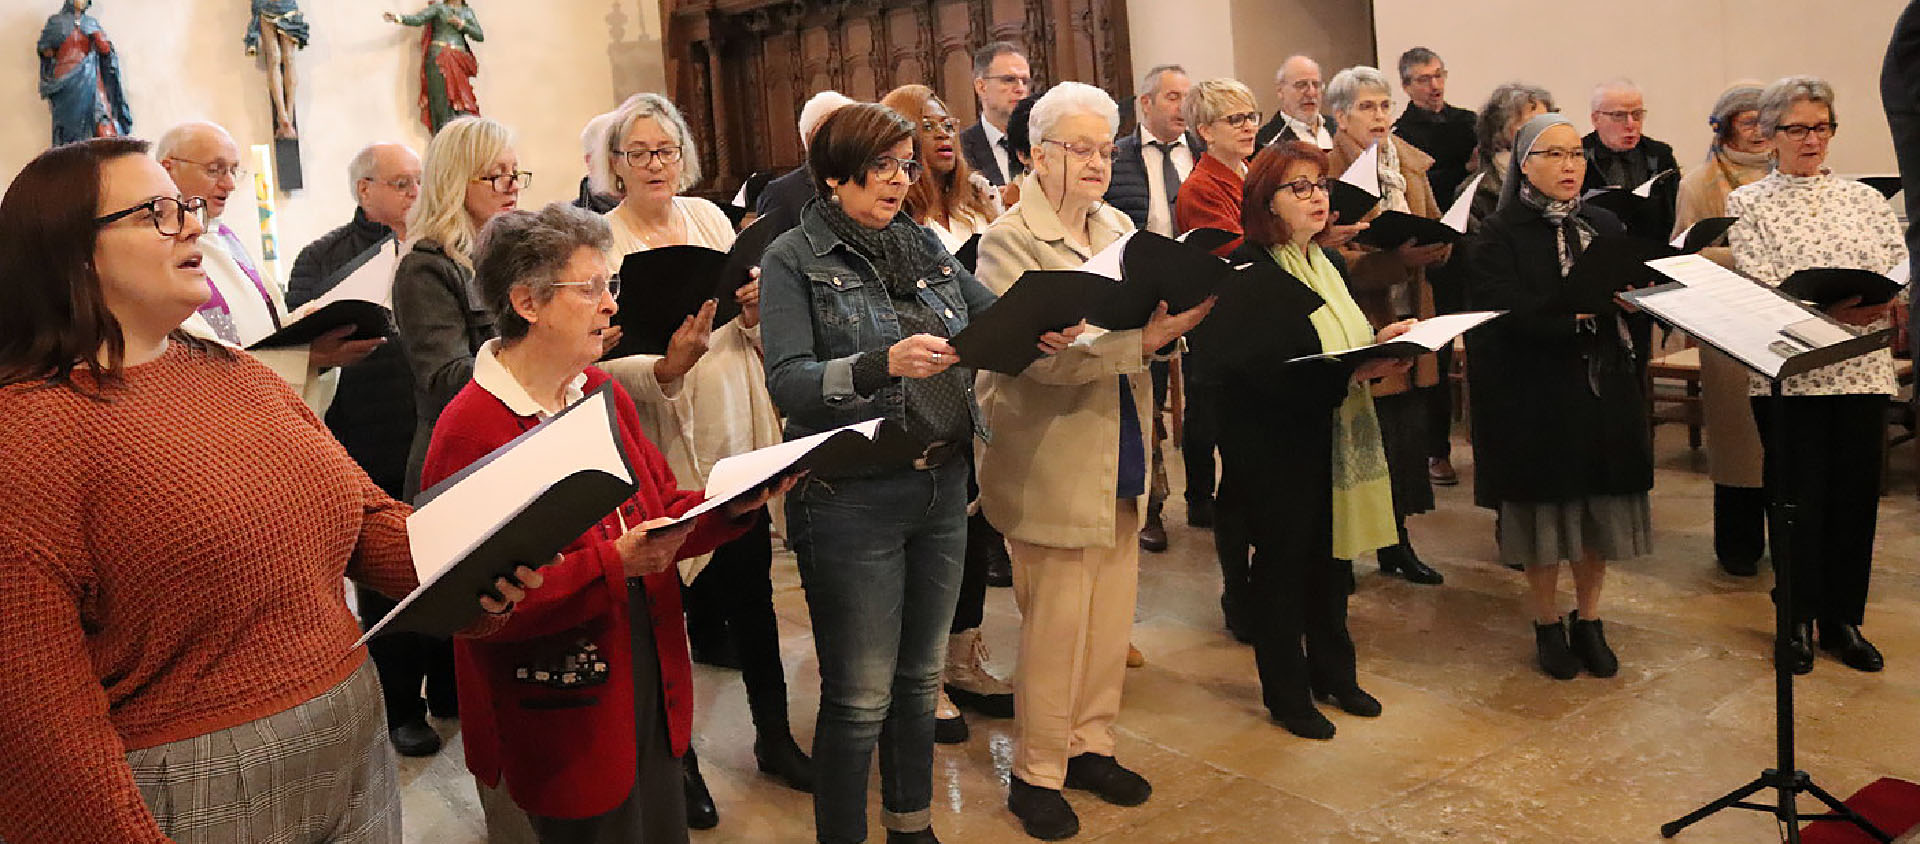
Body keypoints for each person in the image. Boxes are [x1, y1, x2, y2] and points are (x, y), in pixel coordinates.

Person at [0, 136, 533, 844]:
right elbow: (38, 717)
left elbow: (363, 520)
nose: (193, 224)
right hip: (199, 784)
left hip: (350, 738)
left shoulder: (236, 373)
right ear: (68, 251)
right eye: (158, 212)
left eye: (186, 206)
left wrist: (476, 564)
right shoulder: (28, 434)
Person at [759, 102, 1072, 844]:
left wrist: (1043, 327)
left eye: (905, 166)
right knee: (861, 695)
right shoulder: (793, 258)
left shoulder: (923, 243)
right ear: (834, 176)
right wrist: (878, 363)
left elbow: (987, 319)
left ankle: (912, 827)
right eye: (880, 168)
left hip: (940, 481)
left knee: (916, 682)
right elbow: (789, 382)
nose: (899, 181)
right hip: (850, 495)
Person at [422, 202, 779, 843]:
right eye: (590, 289)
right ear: (527, 302)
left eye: (608, 285)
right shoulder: (472, 427)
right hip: (560, 710)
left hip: (645, 665)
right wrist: (612, 565)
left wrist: (729, 505)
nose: (611, 306)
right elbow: (473, 608)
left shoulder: (598, 391)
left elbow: (658, 510)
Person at [973, 81, 1212, 840]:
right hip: (1051, 452)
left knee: (1110, 618)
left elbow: (1129, 328)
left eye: (1103, 149)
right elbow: (1032, 359)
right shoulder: (1009, 240)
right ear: (1038, 157)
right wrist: (1137, 341)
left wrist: (1173, 323)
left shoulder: (1117, 226)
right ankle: (1037, 770)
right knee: (1056, 625)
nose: (1095, 163)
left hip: (1122, 443)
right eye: (1076, 149)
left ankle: (1091, 745)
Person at [585, 93, 812, 827]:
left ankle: (774, 737)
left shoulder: (712, 220)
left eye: (668, 150)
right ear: (614, 166)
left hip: (730, 431)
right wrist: (664, 367)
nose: (657, 165)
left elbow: (744, 326)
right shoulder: (601, 241)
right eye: (640, 153)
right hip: (658, 437)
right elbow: (593, 363)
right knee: (668, 615)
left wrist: (750, 312)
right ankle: (677, 763)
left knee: (752, 595)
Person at [1207, 140, 1407, 740]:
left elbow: (1343, 339)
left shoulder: (1328, 264)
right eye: (1300, 187)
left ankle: (1335, 675)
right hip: (1272, 442)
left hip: (1331, 431)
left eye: (1319, 185)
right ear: (1266, 203)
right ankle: (1287, 693)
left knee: (1331, 560)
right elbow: (1261, 370)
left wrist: (1382, 344)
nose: (1317, 197)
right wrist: (1350, 372)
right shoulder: (1248, 271)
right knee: (1282, 570)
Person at [1727, 76, 1904, 676]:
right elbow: (1759, 280)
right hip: (1790, 373)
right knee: (1796, 501)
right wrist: (1830, 310)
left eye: (1822, 127)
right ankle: (1796, 618)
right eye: (1798, 128)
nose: (1812, 139)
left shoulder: (1867, 200)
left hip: (1862, 369)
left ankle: (1843, 619)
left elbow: (1892, 267)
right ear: (1770, 135)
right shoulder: (1749, 203)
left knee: (1855, 502)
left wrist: (1878, 302)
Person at [1470, 113, 1652, 680]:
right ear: (1524, 164)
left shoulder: (1602, 223)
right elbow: (1498, 311)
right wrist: (1568, 313)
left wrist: (1633, 300)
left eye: (1576, 154)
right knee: (1547, 516)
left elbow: (1629, 286)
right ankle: (1547, 622)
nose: (1570, 165)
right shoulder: (1497, 234)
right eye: (1553, 155)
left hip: (1603, 384)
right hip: (1535, 393)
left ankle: (1590, 619)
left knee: (1598, 509)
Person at [287, 142, 450, 758]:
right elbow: (301, 336)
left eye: (420, 182)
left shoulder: (440, 245)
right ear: (365, 191)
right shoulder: (322, 256)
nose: (415, 193)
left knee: (448, 550)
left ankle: (451, 680)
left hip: (432, 422)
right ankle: (403, 703)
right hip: (368, 430)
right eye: (403, 183)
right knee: (390, 571)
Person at [879, 82, 1016, 742]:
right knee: (931, 539)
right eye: (923, 126)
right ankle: (925, 675)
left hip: (981, 385)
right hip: (926, 388)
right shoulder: (894, 221)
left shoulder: (974, 204)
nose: (941, 135)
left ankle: (966, 657)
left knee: (974, 531)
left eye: (946, 123)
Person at [1324, 66, 1449, 586]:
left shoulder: (1408, 166)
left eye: (1384, 106)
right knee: (1361, 441)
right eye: (1366, 108)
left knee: (1403, 437)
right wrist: (1397, 259)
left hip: (1411, 310)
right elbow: (1334, 259)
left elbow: (1439, 223)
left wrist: (1437, 248)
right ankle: (1345, 550)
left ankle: (1397, 543)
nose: (1380, 117)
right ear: (1340, 115)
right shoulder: (1328, 171)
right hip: (1363, 317)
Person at [159, 121, 380, 413]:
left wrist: (308, 322)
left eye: (234, 170)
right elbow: (198, 363)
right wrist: (306, 358)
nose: (229, 184)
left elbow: (263, 330)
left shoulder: (226, 240)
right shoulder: (162, 252)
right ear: (167, 168)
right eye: (215, 169)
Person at [392, 115, 525, 497]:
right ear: (455, 180)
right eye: (496, 174)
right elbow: (445, 378)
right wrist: (536, 357)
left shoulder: (515, 257)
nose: (512, 185)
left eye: (515, 172)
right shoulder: (425, 267)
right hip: (460, 460)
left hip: (517, 444)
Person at [1672, 83, 1773, 577]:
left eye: (1764, 120)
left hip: (1785, 321)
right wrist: (1752, 258)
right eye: (1747, 120)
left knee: (1786, 444)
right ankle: (1739, 547)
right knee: (1740, 447)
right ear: (1725, 126)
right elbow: (1684, 256)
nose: (1758, 130)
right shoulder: (1701, 183)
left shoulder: (1790, 172)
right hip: (1730, 328)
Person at [1106, 64, 1199, 237]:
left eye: (1187, 100)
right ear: (1146, 103)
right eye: (1173, 98)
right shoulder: (1115, 157)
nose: (1183, 107)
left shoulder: (1204, 152)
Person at [1583, 79, 1680, 242]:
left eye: (1637, 115)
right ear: (1595, 119)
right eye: (1619, 116)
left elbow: (1673, 214)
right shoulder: (1578, 155)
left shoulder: (1660, 155)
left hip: (1651, 249)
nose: (1631, 124)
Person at [757, 90, 858, 233]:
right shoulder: (781, 195)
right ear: (812, 138)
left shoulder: (866, 180)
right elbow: (771, 253)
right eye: (843, 130)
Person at [36, 0, 133, 146]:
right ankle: (71, 155)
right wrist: (55, 46)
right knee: (70, 126)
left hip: (90, 77)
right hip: (66, 81)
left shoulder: (91, 23)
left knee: (102, 119)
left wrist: (100, 41)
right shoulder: (56, 22)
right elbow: (46, 50)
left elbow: (106, 53)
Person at [1391, 47, 1477, 206]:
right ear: (1406, 86)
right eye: (1424, 79)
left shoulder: (1469, 121)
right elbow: (1414, 186)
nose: (1435, 85)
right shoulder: (1400, 136)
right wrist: (1465, 169)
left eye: (1438, 75)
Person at [384, 0, 485, 133]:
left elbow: (479, 35)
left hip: (458, 60)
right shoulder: (439, 8)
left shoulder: (467, 12)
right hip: (439, 57)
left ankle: (460, 137)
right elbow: (419, 19)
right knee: (440, 101)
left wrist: (462, 24)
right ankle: (443, 135)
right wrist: (397, 18)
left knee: (463, 102)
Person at [959, 41, 1034, 186]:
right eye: (1009, 80)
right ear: (981, 87)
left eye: (1025, 81)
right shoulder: (961, 149)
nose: (1020, 89)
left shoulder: (1042, 142)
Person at [1255, 55, 1336, 150]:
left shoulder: (1339, 129)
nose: (1311, 93)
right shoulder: (1265, 142)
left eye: (1316, 85)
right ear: (1280, 91)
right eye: (1301, 85)